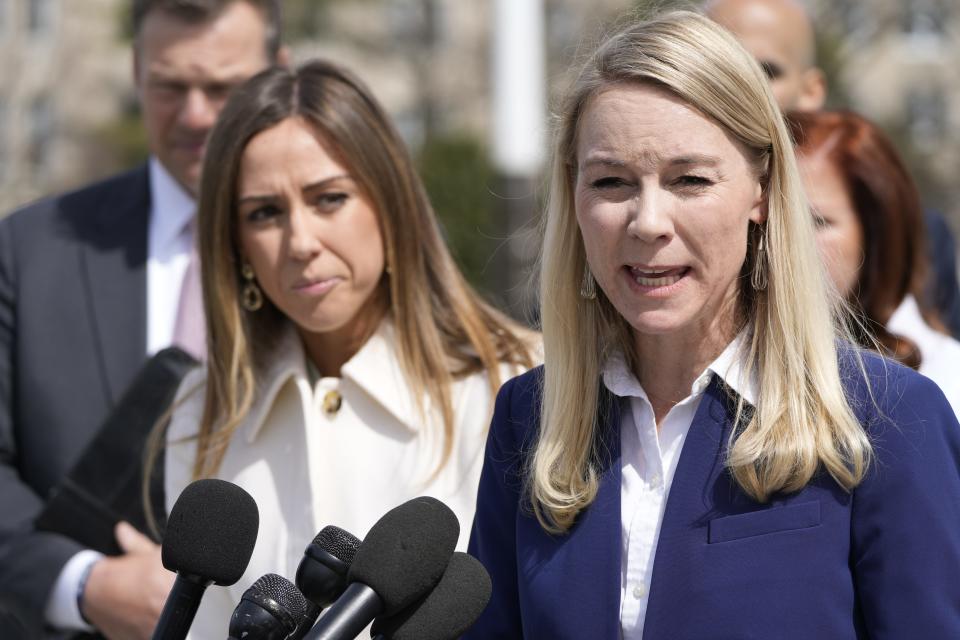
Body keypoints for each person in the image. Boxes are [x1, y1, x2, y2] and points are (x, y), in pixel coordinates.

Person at [466, 10, 960, 639]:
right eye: (612, 181)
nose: (647, 221)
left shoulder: (890, 416)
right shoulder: (529, 417)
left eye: (689, 179)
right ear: (575, 199)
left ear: (761, 190)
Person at [159, 60, 538, 637]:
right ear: (235, 245)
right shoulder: (201, 410)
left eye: (329, 198)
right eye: (265, 213)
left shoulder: (523, 382)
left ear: (390, 206)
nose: (301, 242)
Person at [0, 1, 285, 637]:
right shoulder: (28, 250)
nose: (195, 114)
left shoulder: (333, 260)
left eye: (222, 87)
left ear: (279, 73)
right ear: (135, 71)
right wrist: (80, 582)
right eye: (169, 85)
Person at [706, 0, 960, 338]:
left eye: (766, 72)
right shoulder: (658, 218)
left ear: (812, 90)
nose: (745, 91)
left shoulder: (911, 236)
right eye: (721, 72)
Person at [789, 109, 960, 416]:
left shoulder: (945, 383)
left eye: (815, 221)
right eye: (771, 218)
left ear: (877, 232)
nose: (783, 241)